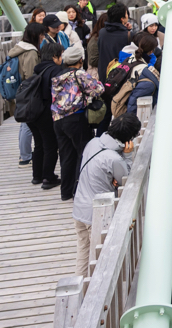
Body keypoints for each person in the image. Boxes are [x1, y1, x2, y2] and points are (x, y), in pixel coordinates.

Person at [72, 113, 140, 277]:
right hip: (97, 215)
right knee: (99, 261)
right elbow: (126, 180)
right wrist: (127, 156)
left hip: (79, 208)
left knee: (83, 255)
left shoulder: (93, 143)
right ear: (128, 139)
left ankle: (79, 287)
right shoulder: (114, 159)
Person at [51, 44, 105, 201]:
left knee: (66, 156)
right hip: (75, 117)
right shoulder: (79, 73)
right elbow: (98, 89)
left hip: (58, 120)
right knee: (84, 152)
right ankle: (80, 190)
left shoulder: (58, 75)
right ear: (80, 60)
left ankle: (66, 192)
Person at [12, 23, 49, 167]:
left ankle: (24, 154)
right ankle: (25, 156)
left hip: (20, 90)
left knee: (25, 124)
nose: (43, 37)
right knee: (28, 124)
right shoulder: (31, 52)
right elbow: (30, 75)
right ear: (36, 35)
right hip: (29, 91)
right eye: (41, 34)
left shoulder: (19, 48)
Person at [31, 42, 62, 191]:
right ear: (55, 56)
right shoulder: (56, 70)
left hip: (33, 113)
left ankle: (37, 175)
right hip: (46, 112)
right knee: (51, 145)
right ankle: (48, 178)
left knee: (39, 144)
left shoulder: (37, 69)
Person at [96, 4, 133, 72]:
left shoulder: (102, 32)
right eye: (126, 13)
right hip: (119, 74)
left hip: (104, 71)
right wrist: (127, 30)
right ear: (122, 19)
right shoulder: (127, 35)